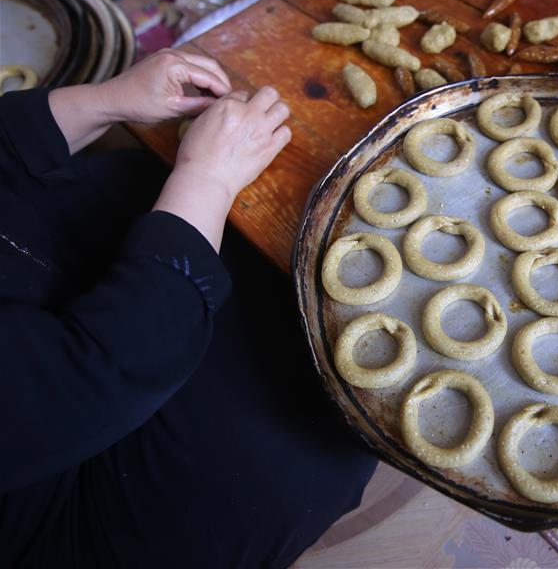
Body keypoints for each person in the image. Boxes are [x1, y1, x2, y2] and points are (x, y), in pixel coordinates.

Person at [0, 49, 377, 568]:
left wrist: (109, 101)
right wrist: (206, 181)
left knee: (191, 206)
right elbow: (84, 378)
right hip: (49, 501)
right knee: (318, 432)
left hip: (24, 266)